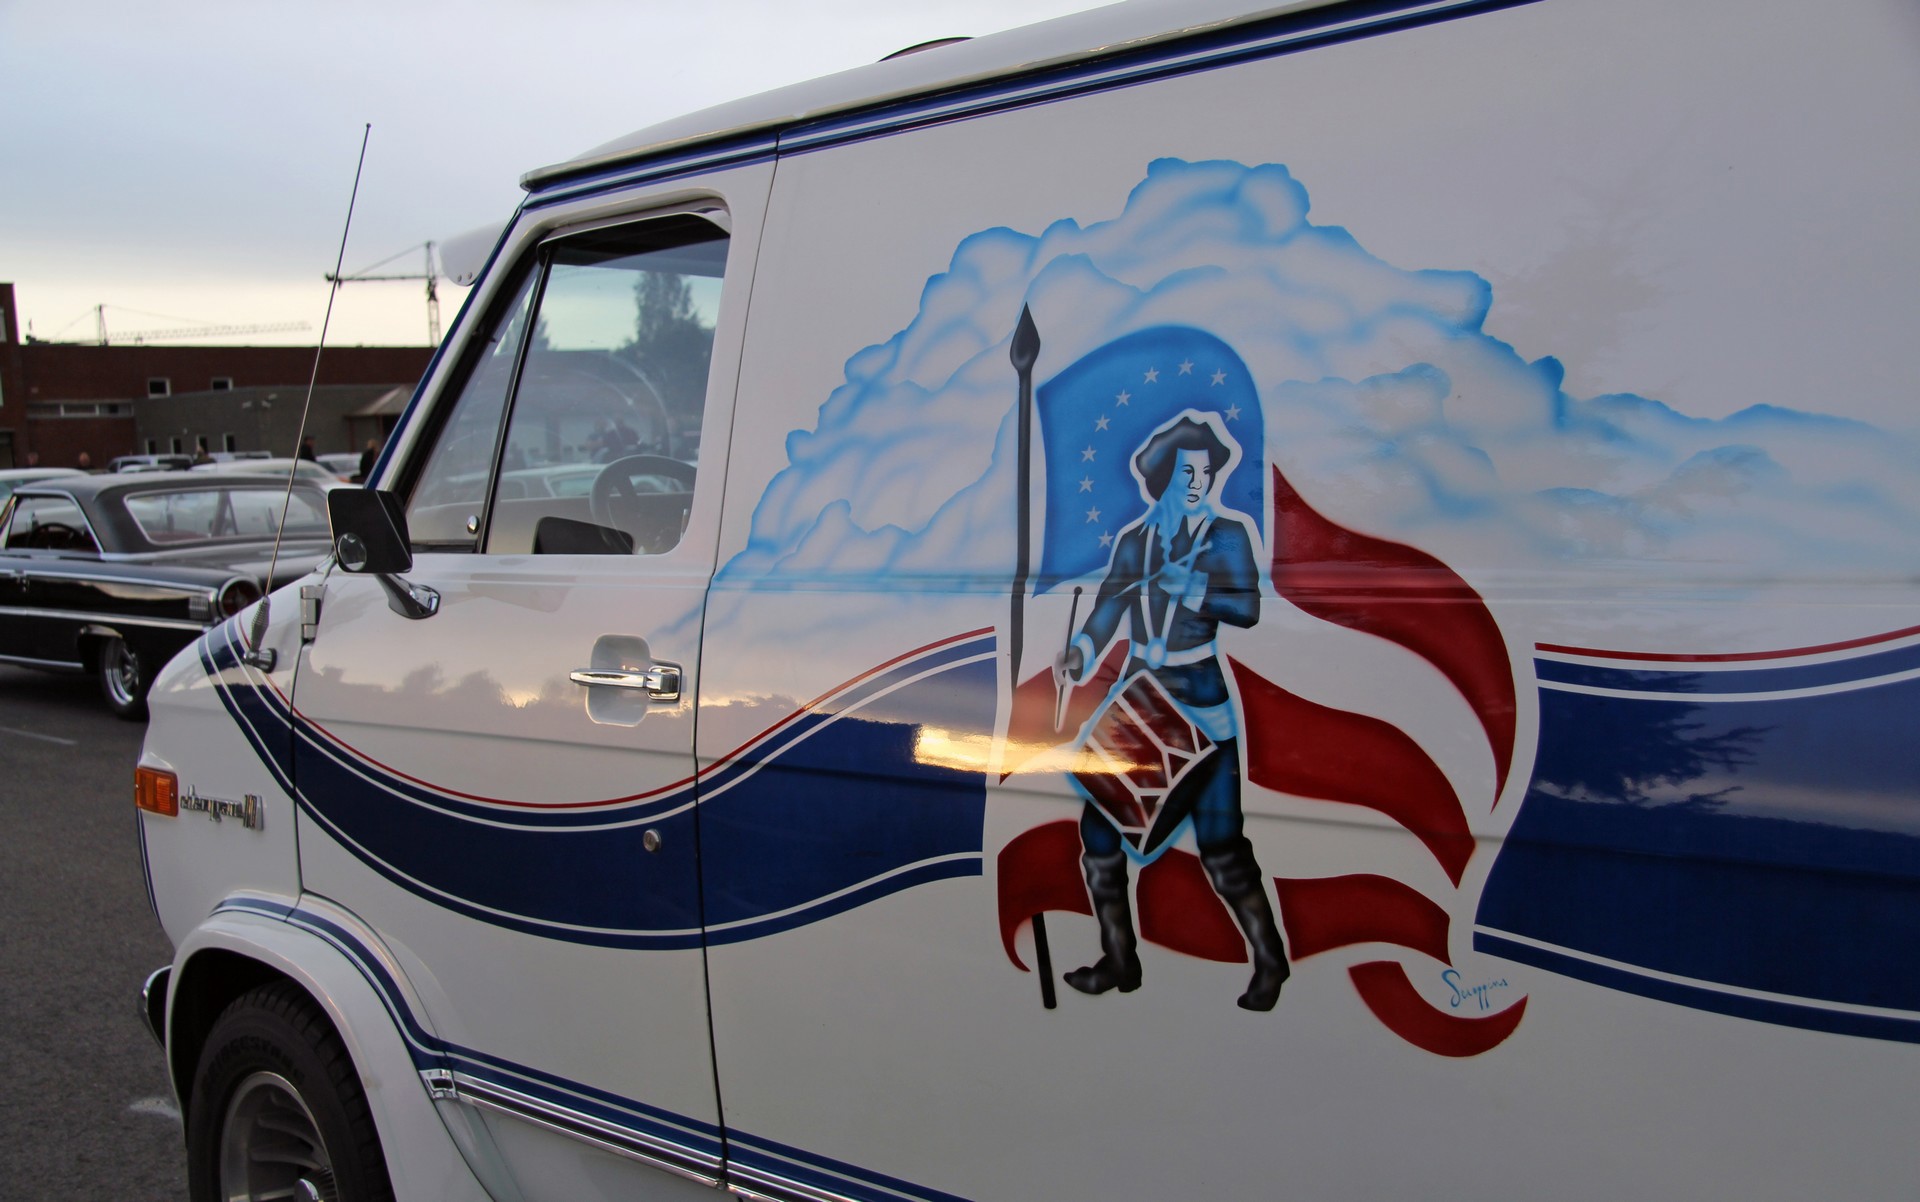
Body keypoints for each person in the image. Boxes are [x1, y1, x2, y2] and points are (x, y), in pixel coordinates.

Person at [1055, 413, 1289, 1011]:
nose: (1198, 482)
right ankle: (1120, 960)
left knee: (1222, 846)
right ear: (1163, 476)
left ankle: (1271, 962)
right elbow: (1109, 605)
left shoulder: (1227, 534)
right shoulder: (1136, 540)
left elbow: (1248, 609)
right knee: (1098, 833)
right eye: (1188, 471)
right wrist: (1082, 650)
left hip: (1201, 699)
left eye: (1205, 472)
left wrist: (1197, 593)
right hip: (1140, 700)